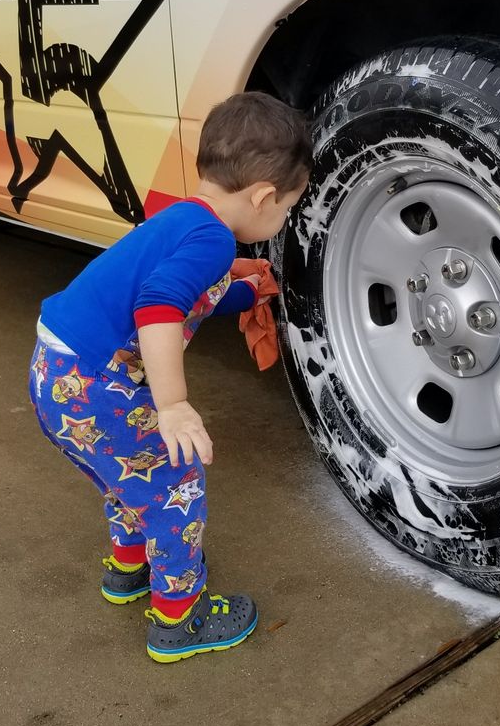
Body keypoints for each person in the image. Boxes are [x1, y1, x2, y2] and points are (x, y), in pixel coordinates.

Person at [29, 92, 312, 663]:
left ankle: (129, 567)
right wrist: (174, 404)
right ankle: (179, 618)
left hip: (54, 373)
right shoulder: (213, 240)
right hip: (94, 384)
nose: (283, 220)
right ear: (262, 196)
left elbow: (187, 294)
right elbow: (158, 306)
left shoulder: (183, 217)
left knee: (128, 476)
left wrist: (247, 292)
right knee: (172, 489)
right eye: (287, 209)